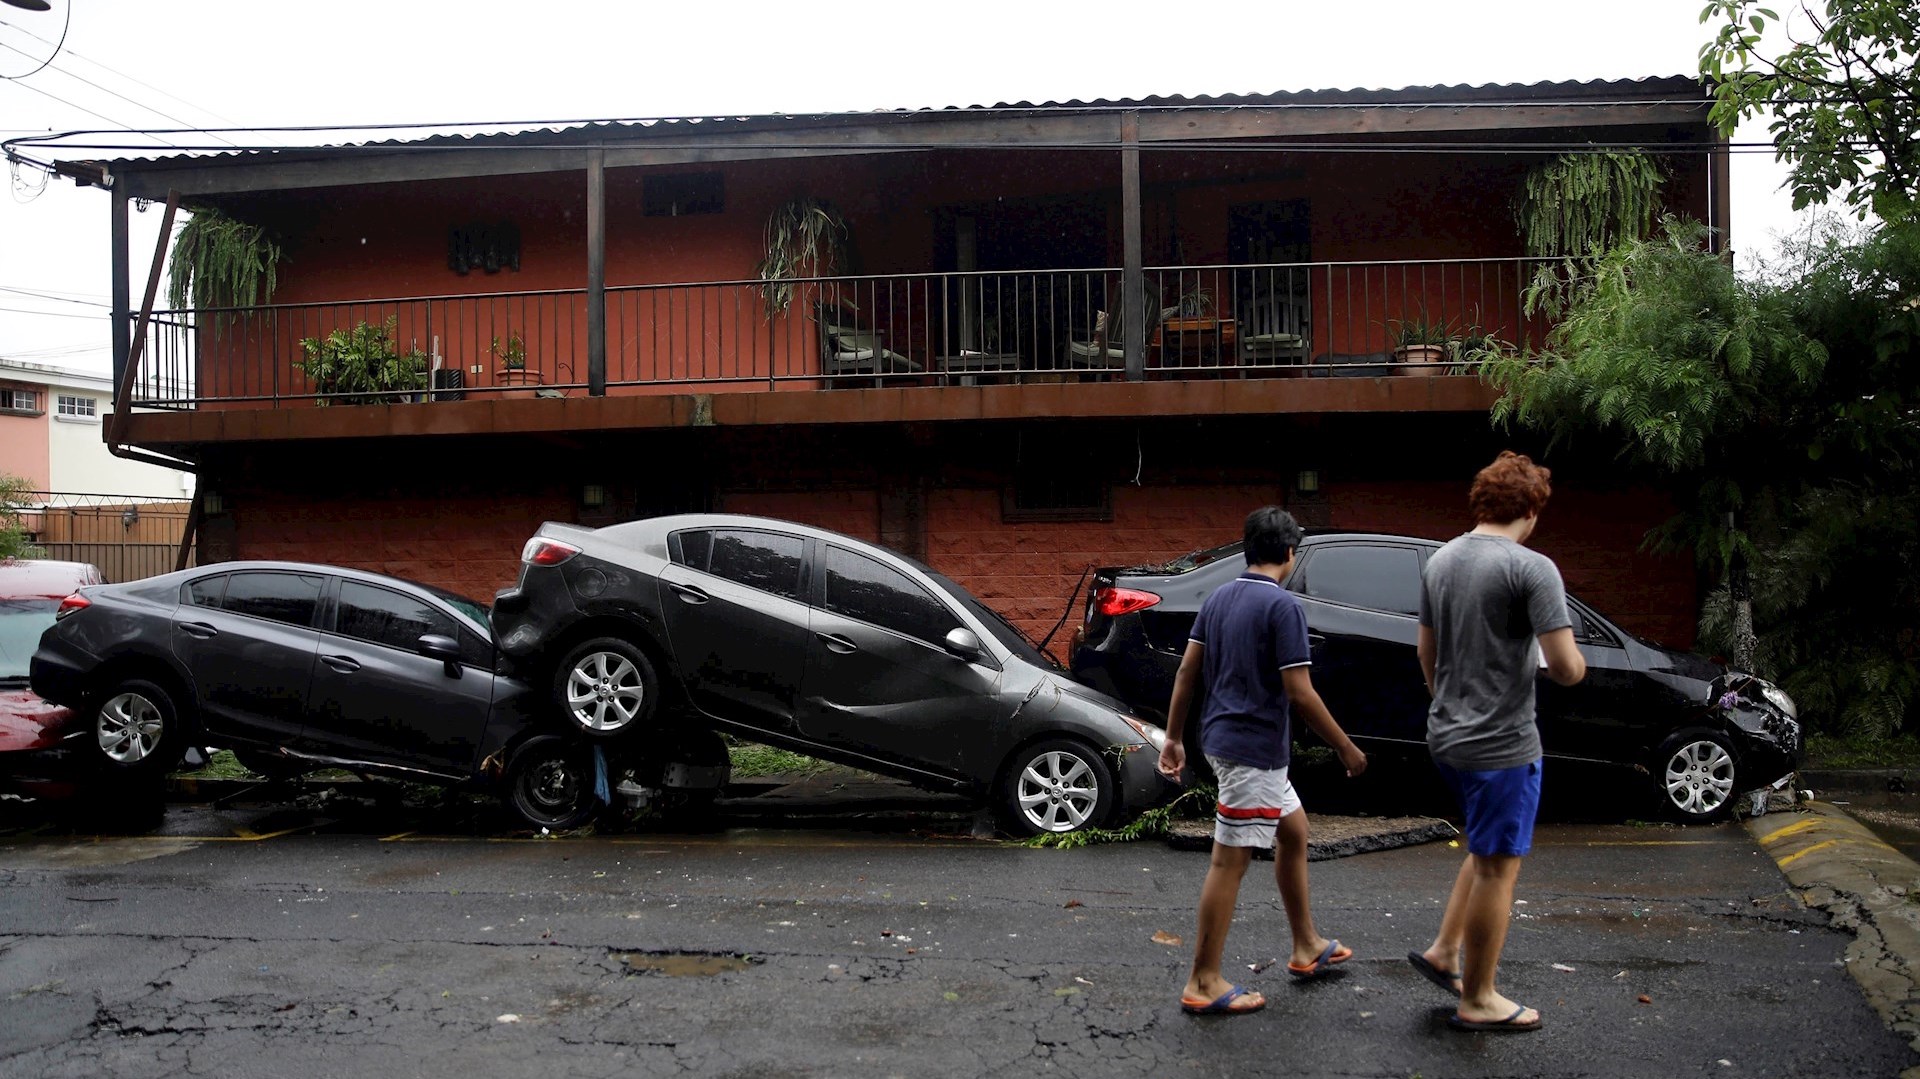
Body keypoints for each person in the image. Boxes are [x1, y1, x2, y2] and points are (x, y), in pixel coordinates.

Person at [1157, 506, 1368, 1016]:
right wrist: (1344, 746)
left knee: (1293, 832)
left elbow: (1187, 673)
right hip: (1253, 753)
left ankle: (1307, 945)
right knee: (1229, 862)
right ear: (1291, 554)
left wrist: (1174, 737)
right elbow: (1300, 692)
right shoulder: (1284, 608)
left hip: (1227, 743)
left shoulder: (1220, 598)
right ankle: (1203, 980)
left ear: (1248, 549)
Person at [1407, 451, 1587, 1033]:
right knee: (1497, 869)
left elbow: (1425, 654)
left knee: (1483, 851)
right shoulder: (1532, 568)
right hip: (1502, 742)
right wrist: (1578, 665)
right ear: (1531, 510)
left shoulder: (1441, 560)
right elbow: (1564, 667)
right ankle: (1479, 997)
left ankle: (1444, 951)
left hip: (1447, 735)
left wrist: (1446, 702)